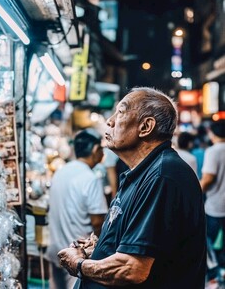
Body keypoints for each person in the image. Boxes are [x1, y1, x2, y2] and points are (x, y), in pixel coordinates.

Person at [58, 87, 206, 289]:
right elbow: (143, 246)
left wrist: (79, 265)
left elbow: (133, 268)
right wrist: (100, 250)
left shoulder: (163, 176)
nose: (110, 121)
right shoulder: (141, 173)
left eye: (120, 112)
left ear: (146, 126)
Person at [46, 128, 109, 289]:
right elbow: (97, 222)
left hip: (55, 249)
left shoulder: (61, 171)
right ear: (95, 150)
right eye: (102, 149)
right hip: (75, 254)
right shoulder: (90, 178)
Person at [200, 120, 225, 286]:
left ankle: (218, 275)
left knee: (211, 244)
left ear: (212, 133)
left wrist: (195, 193)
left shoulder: (214, 151)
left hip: (216, 207)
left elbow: (208, 178)